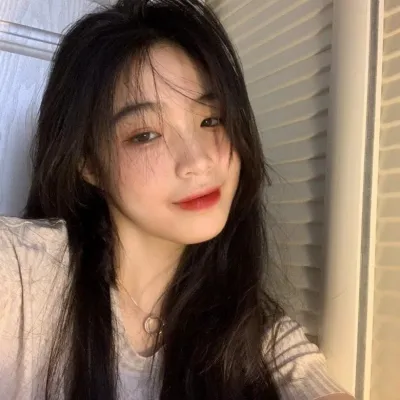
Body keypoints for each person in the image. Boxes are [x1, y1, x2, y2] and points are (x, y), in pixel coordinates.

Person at [0, 0, 355, 399]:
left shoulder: (259, 341)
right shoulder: (23, 277)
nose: (198, 162)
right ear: (88, 164)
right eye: (145, 134)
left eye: (211, 120)